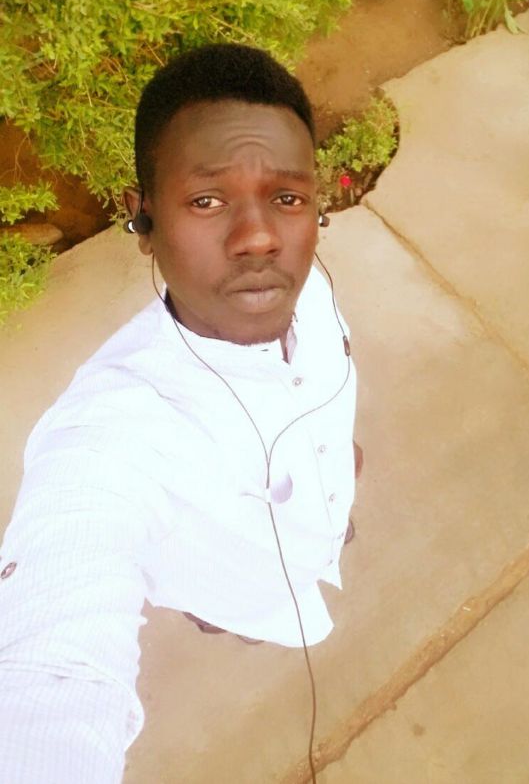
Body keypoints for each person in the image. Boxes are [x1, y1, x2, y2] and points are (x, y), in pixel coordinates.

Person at [0, 44, 361, 783]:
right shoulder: (110, 434)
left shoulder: (314, 294)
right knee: (237, 615)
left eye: (287, 199)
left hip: (320, 533)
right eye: (207, 201)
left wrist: (340, 465)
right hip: (244, 593)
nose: (260, 237)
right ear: (142, 219)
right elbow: (52, 669)